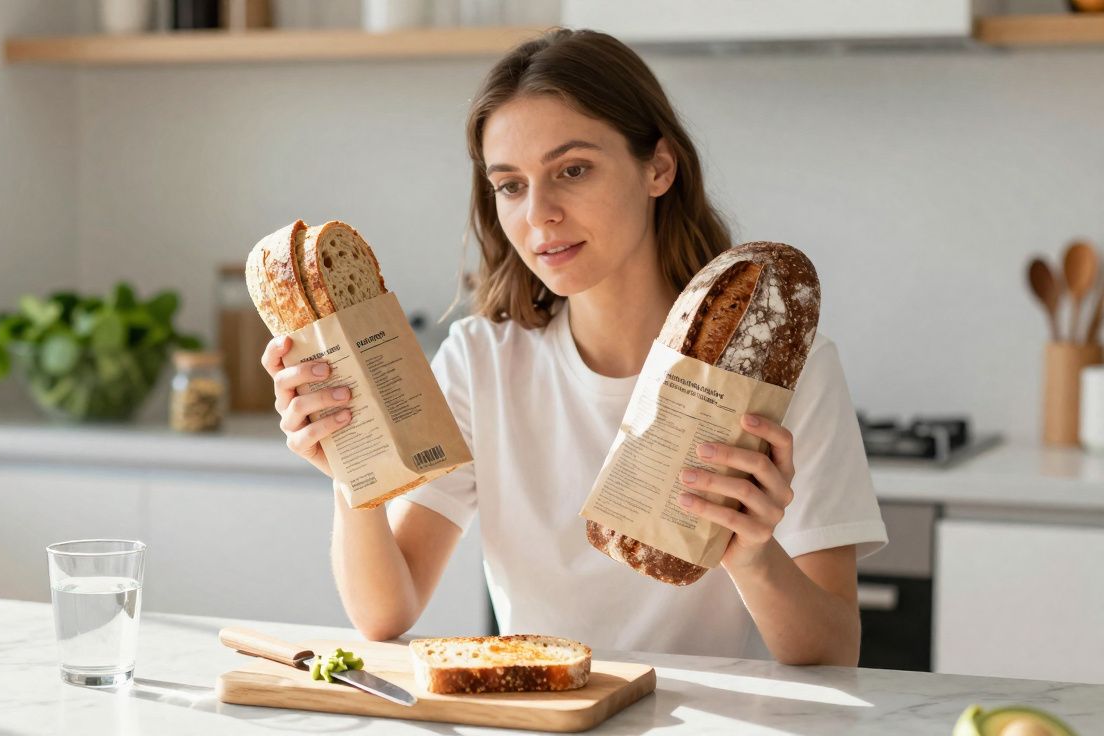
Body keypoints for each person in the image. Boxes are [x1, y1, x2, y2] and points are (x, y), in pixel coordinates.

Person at [261, 29, 886, 665]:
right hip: (542, 714)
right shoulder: (482, 362)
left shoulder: (785, 372)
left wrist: (752, 554)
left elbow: (834, 653)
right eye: (510, 185)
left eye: (573, 170)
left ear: (658, 168)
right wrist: (349, 467)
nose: (539, 214)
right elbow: (384, 612)